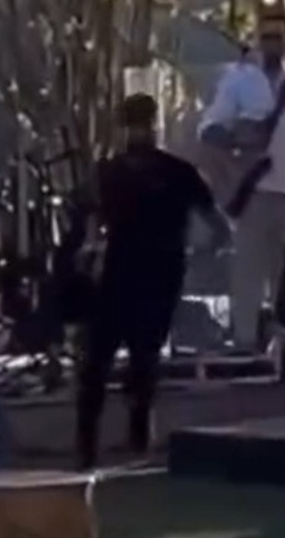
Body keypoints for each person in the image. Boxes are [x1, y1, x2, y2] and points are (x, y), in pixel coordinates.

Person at [76, 93, 231, 472]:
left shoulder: (146, 172)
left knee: (127, 360)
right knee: (118, 360)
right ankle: (106, 444)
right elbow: (217, 225)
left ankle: (119, 442)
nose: (138, 132)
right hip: (139, 272)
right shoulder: (146, 172)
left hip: (142, 273)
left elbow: (215, 223)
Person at [198, 27, 285, 351]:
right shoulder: (240, 81)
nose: (274, 42)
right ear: (259, 39)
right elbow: (210, 128)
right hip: (255, 190)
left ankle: (284, 343)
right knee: (248, 268)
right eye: (268, 35)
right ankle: (245, 341)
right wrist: (238, 142)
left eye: (279, 35)